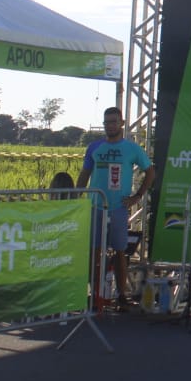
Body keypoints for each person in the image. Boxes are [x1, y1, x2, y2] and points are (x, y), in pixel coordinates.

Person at [77, 107, 155, 311]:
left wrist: (137, 196)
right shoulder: (94, 147)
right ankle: (92, 294)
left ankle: (121, 295)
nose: (110, 126)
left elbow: (150, 171)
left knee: (120, 251)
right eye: (106, 122)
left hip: (118, 207)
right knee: (94, 251)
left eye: (113, 122)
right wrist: (76, 198)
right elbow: (85, 173)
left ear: (121, 123)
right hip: (95, 206)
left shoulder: (132, 148)